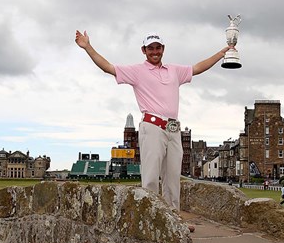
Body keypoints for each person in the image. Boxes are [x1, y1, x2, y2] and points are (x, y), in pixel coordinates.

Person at [75, 30, 230, 216]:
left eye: (158, 48)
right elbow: (107, 67)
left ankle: (174, 222)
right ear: (144, 50)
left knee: (172, 179)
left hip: (173, 129)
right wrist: (88, 47)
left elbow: (197, 68)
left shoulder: (174, 70)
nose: (154, 52)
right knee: (150, 178)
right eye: (150, 48)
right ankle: (149, 220)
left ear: (163, 49)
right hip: (152, 127)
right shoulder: (137, 71)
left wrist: (222, 54)